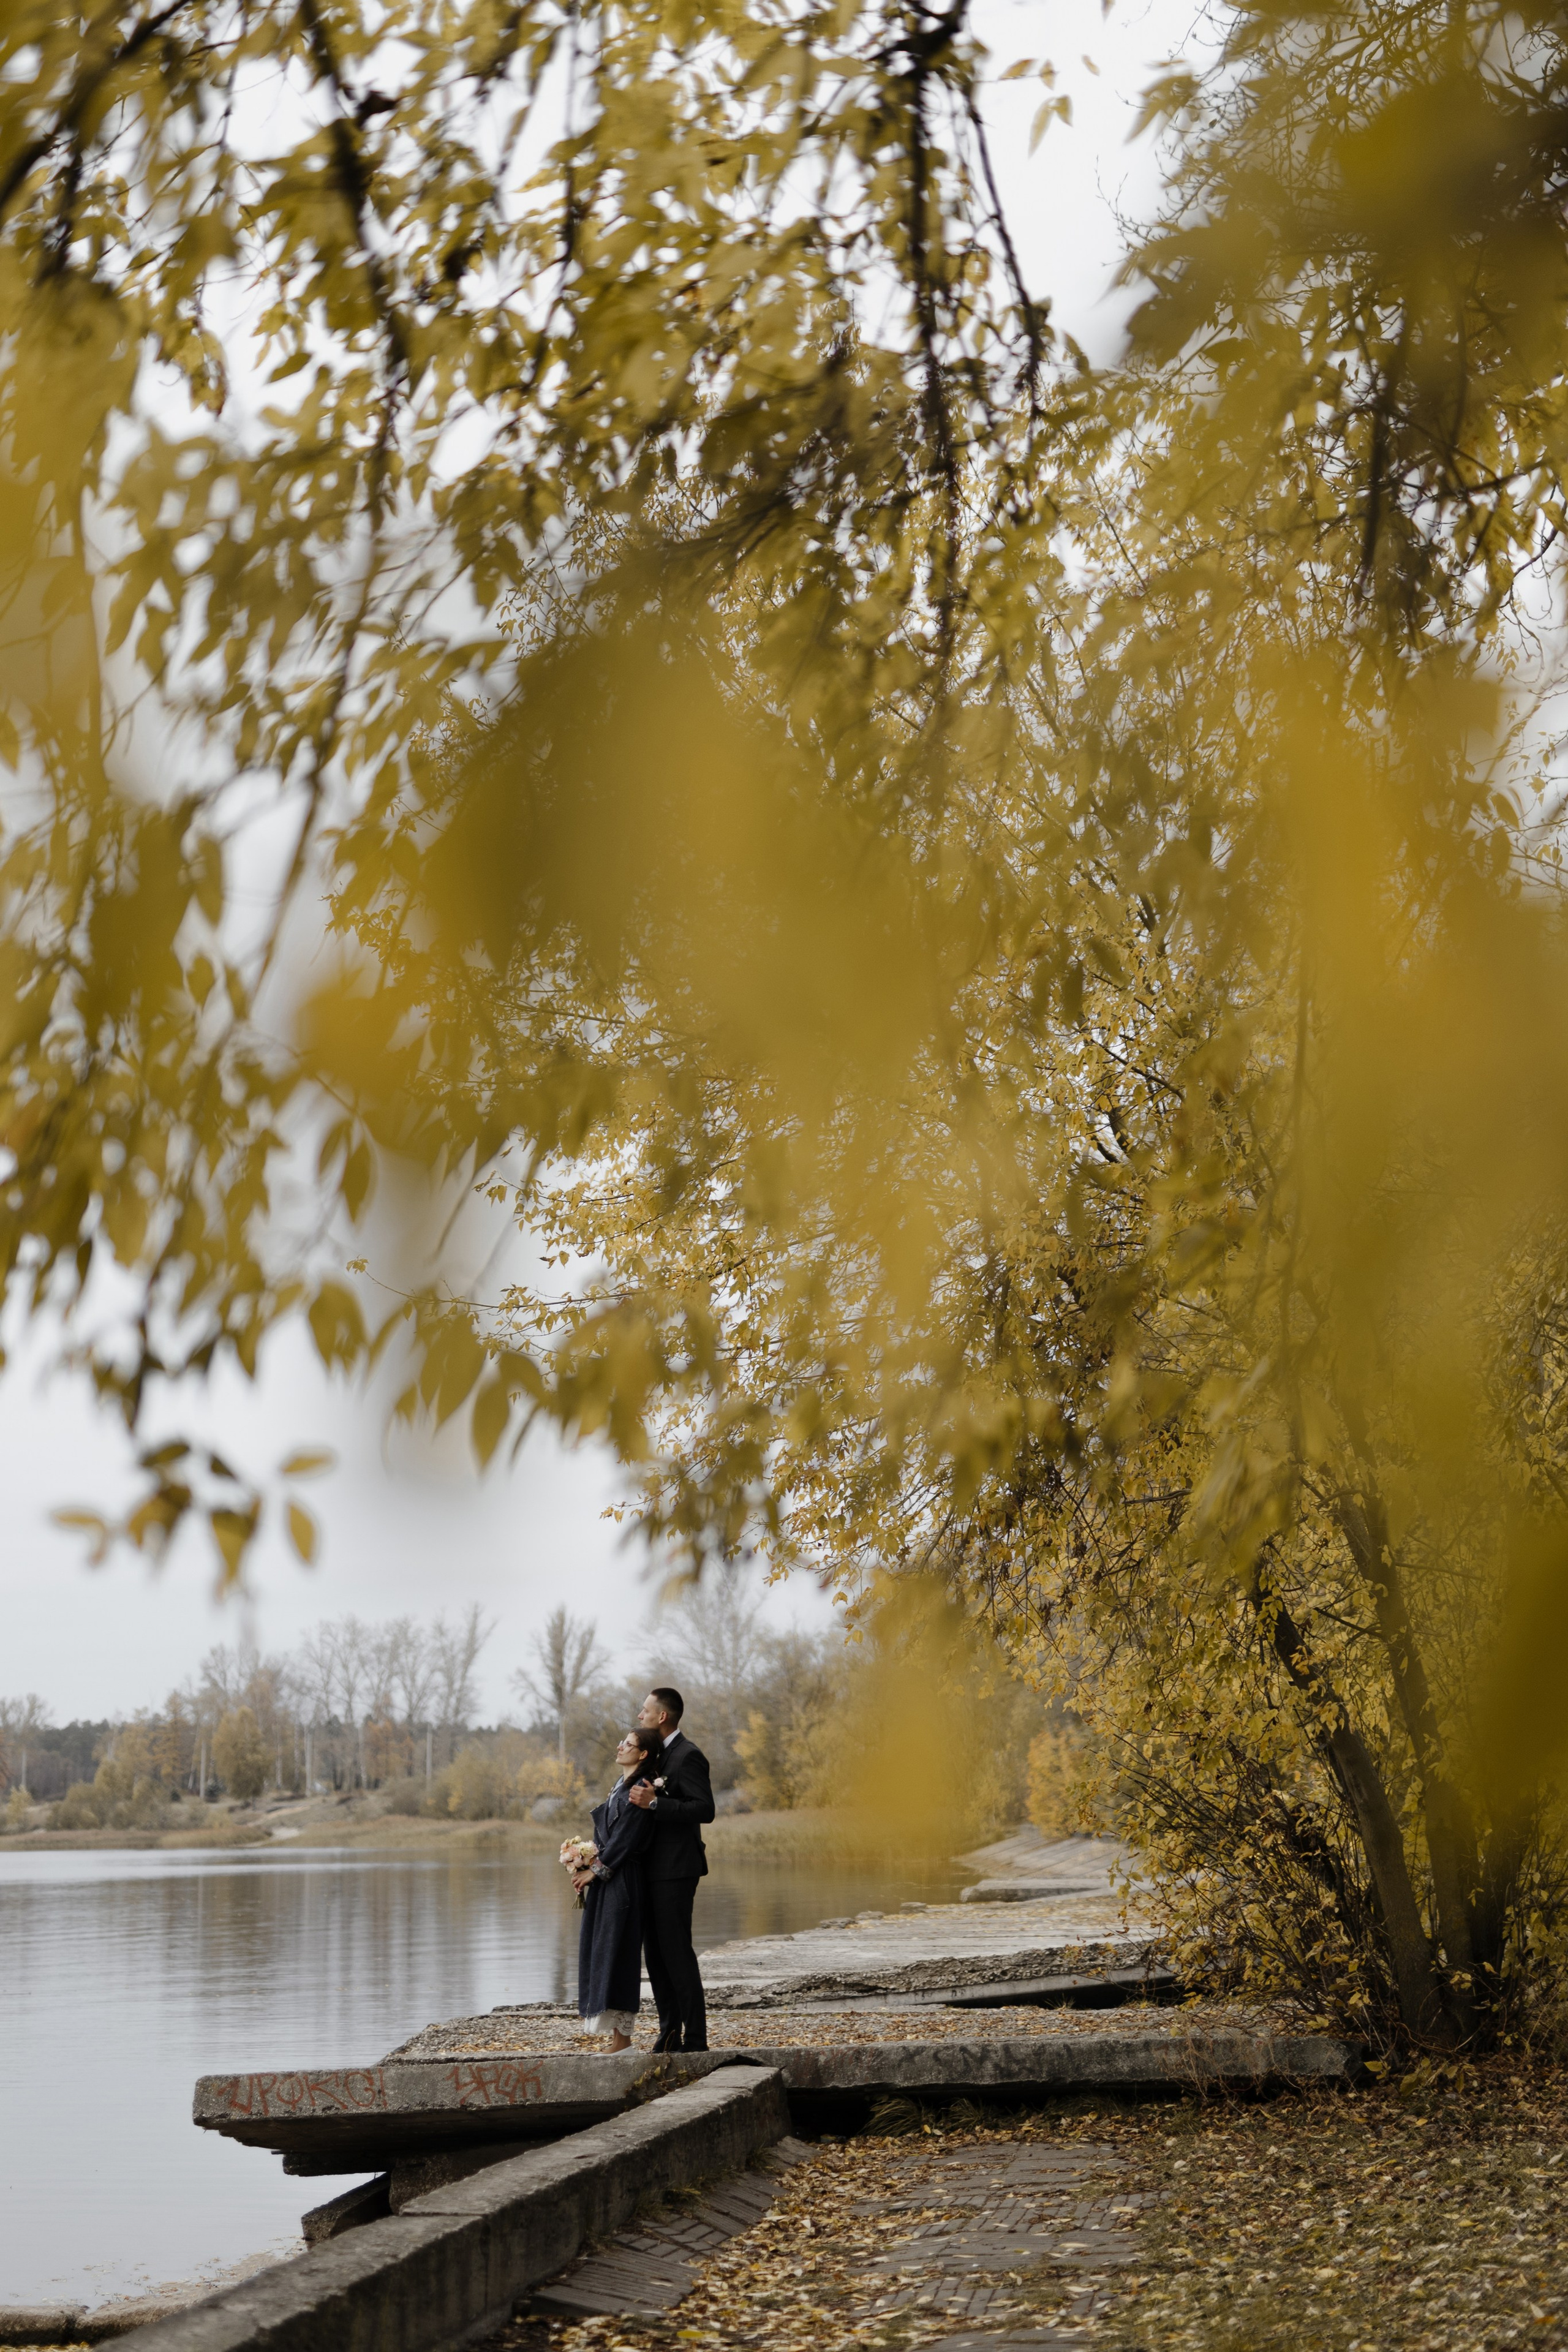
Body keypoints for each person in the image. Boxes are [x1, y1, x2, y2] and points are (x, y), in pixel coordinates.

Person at [628, 1685, 715, 2052]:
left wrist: (656, 1805)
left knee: (676, 1952)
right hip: (648, 1870)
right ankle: (669, 2033)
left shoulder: (688, 1755)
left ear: (662, 1716)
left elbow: (704, 1810)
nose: (639, 1715)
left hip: (677, 1870)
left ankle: (696, 2039)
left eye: (645, 1710)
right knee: (656, 1956)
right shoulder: (657, 1755)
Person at [571, 1727, 661, 2051]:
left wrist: (594, 1871)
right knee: (601, 1949)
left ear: (643, 1754)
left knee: (619, 1951)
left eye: (629, 1744)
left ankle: (623, 2039)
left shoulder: (642, 1787)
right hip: (608, 1880)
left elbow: (627, 1838)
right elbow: (606, 1835)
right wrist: (582, 1859)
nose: (620, 1746)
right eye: (622, 1741)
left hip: (624, 1880)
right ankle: (616, 2037)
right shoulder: (620, 1786)